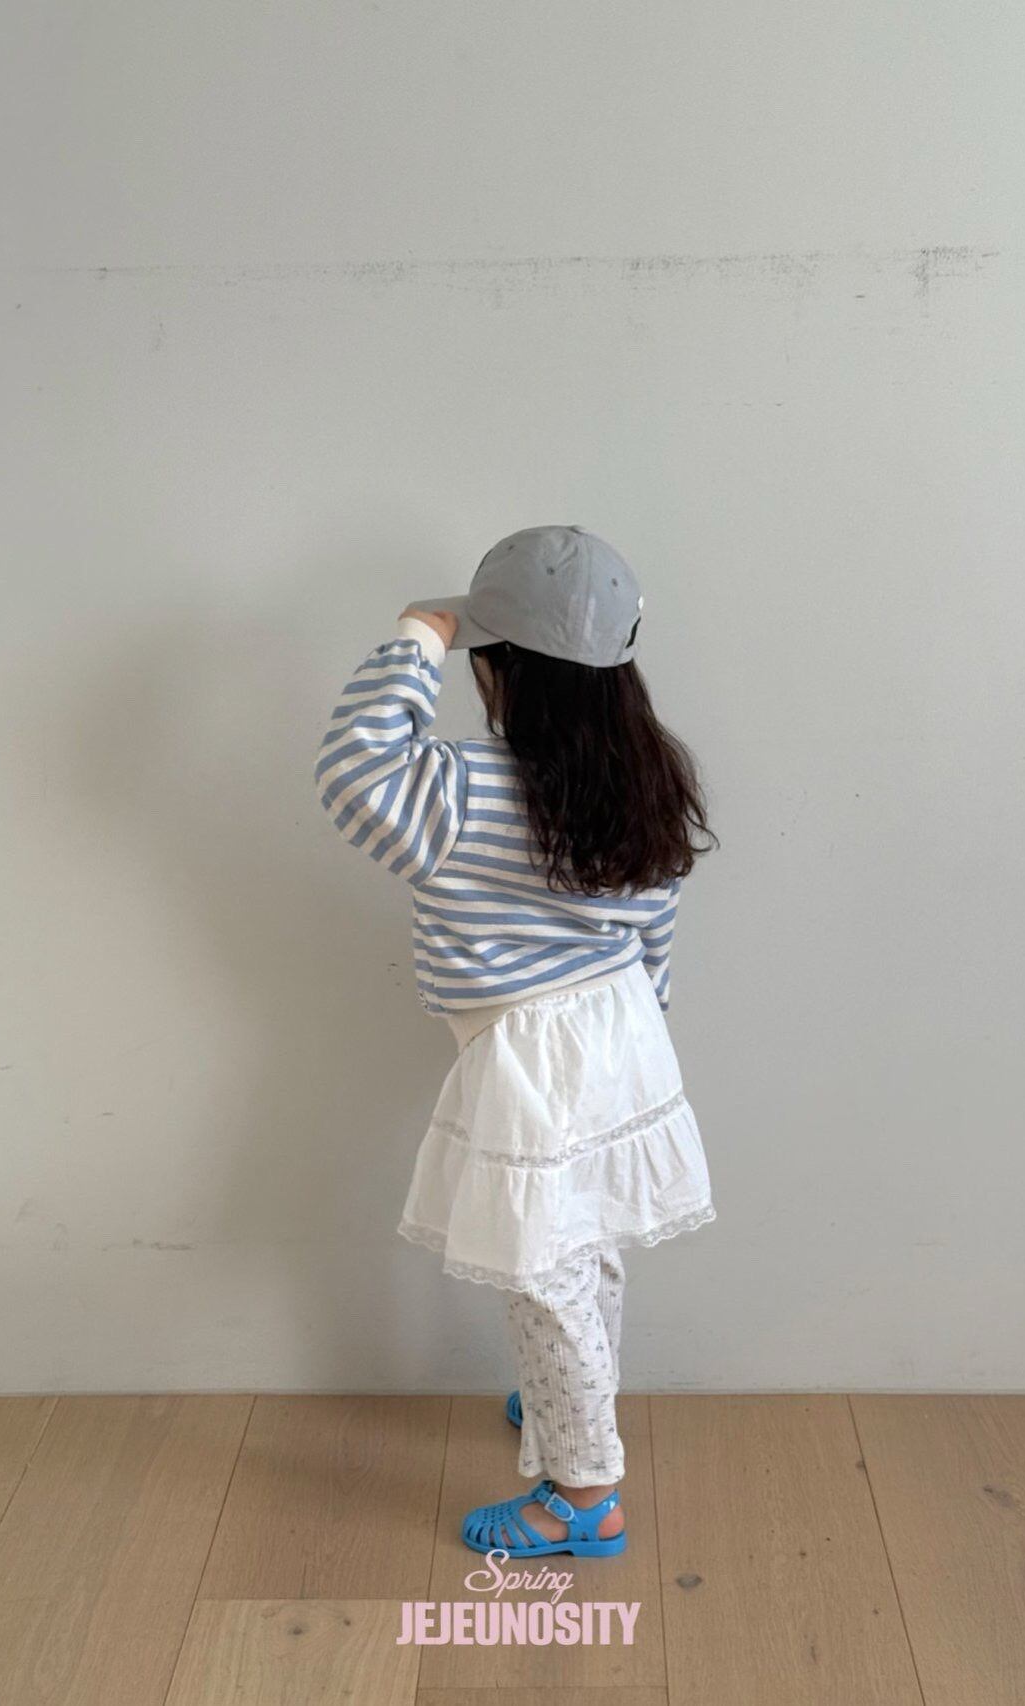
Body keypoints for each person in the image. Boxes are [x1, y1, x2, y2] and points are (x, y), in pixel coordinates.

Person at [314, 524, 718, 1559]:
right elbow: (655, 924)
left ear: (497, 673)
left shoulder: (455, 790)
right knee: (587, 1243)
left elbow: (355, 768)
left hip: (530, 1049)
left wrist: (419, 634)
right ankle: (568, 1399)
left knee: (543, 1271)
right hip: (622, 1025)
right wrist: (639, 1043)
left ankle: (584, 1496)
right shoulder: (645, 777)